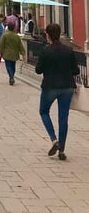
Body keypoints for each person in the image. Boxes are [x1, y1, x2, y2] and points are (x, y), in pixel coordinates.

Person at [35, 23, 79, 161]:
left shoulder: (45, 51)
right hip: (67, 87)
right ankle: (62, 149)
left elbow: (38, 70)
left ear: (47, 34)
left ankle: (54, 139)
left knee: (43, 111)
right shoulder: (68, 50)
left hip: (50, 86)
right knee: (63, 117)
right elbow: (76, 70)